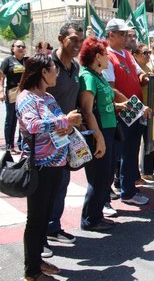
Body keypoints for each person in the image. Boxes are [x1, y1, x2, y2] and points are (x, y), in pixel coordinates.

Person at [16, 54, 82, 280]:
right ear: (44, 72)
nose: (57, 73)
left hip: (57, 164)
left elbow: (60, 120)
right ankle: (31, 271)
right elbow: (33, 126)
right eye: (54, 69)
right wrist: (65, 122)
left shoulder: (48, 97)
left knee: (44, 217)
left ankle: (37, 260)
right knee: (35, 220)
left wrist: (66, 123)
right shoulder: (26, 98)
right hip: (40, 167)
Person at [102, 19, 150, 205]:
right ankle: (107, 196)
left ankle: (128, 190)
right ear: (111, 35)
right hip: (119, 113)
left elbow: (139, 74)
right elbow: (110, 89)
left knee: (130, 153)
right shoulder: (107, 55)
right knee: (114, 156)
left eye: (127, 34)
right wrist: (136, 106)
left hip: (134, 112)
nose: (126, 38)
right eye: (122, 34)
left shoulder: (127, 54)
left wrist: (148, 77)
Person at [45, 23, 84, 248]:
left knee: (62, 183)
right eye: (73, 39)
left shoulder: (75, 68)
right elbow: (31, 99)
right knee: (44, 189)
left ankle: (53, 227)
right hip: (46, 137)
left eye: (80, 40)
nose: (78, 44)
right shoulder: (47, 65)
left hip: (67, 136)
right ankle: (39, 239)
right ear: (61, 39)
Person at [78, 37, 122, 231]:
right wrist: (98, 138)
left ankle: (97, 216)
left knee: (106, 176)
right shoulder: (87, 76)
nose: (109, 58)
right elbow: (88, 111)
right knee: (99, 177)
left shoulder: (99, 75)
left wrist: (121, 105)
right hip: (100, 131)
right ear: (97, 56)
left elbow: (105, 102)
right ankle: (89, 220)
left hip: (110, 130)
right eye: (105, 55)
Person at [132, 43, 154, 182]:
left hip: (150, 109)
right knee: (135, 145)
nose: (148, 55)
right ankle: (135, 175)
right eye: (144, 53)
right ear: (135, 55)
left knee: (149, 142)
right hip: (137, 110)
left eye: (149, 53)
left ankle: (148, 171)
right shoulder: (133, 69)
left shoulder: (150, 67)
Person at [0, 40, 28, 154]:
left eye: (23, 46)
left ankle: (22, 145)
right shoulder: (8, 61)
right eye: (18, 46)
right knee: (11, 119)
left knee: (24, 119)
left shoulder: (27, 61)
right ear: (13, 48)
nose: (21, 48)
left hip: (25, 94)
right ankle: (9, 145)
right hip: (12, 92)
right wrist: (1, 90)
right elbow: (1, 77)